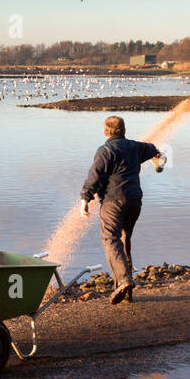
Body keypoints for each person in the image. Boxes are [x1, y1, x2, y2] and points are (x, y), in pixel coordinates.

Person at [79, 115, 166, 304]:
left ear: (105, 132)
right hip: (135, 201)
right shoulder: (136, 147)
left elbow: (95, 176)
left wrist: (85, 199)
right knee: (125, 239)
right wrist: (159, 157)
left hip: (113, 202)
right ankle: (127, 293)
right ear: (124, 131)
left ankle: (124, 280)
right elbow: (152, 149)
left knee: (110, 239)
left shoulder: (105, 151)